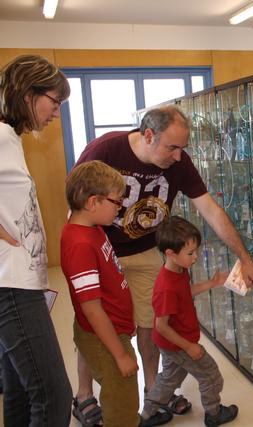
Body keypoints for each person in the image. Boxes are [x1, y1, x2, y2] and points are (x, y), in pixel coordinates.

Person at [74, 105, 253, 420]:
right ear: (149, 135)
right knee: (95, 324)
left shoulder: (179, 162)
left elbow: (211, 210)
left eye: (183, 148)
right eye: (172, 147)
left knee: (151, 321)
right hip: (103, 250)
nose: (178, 156)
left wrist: (245, 258)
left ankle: (155, 391)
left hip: (145, 249)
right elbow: (75, 209)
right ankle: (84, 394)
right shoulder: (105, 150)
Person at [0, 54, 73, 426]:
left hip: (19, 281)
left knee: (19, 394)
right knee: (54, 397)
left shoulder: (10, 137)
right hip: (11, 286)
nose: (56, 113)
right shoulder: (0, 135)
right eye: (54, 102)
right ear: (28, 94)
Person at [61, 160, 142, 427]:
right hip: (105, 338)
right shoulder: (80, 245)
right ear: (92, 202)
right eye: (116, 202)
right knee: (122, 405)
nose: (120, 207)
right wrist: (120, 354)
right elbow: (92, 309)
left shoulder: (92, 227)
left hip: (113, 328)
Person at [140, 216, 235, 427]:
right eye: (190, 253)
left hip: (172, 344)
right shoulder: (166, 287)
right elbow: (161, 325)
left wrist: (212, 282)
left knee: (169, 379)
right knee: (210, 375)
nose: (196, 256)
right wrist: (188, 346)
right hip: (178, 343)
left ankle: (147, 415)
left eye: (196, 250)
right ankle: (214, 413)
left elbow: (185, 293)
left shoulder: (178, 270)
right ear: (170, 254)